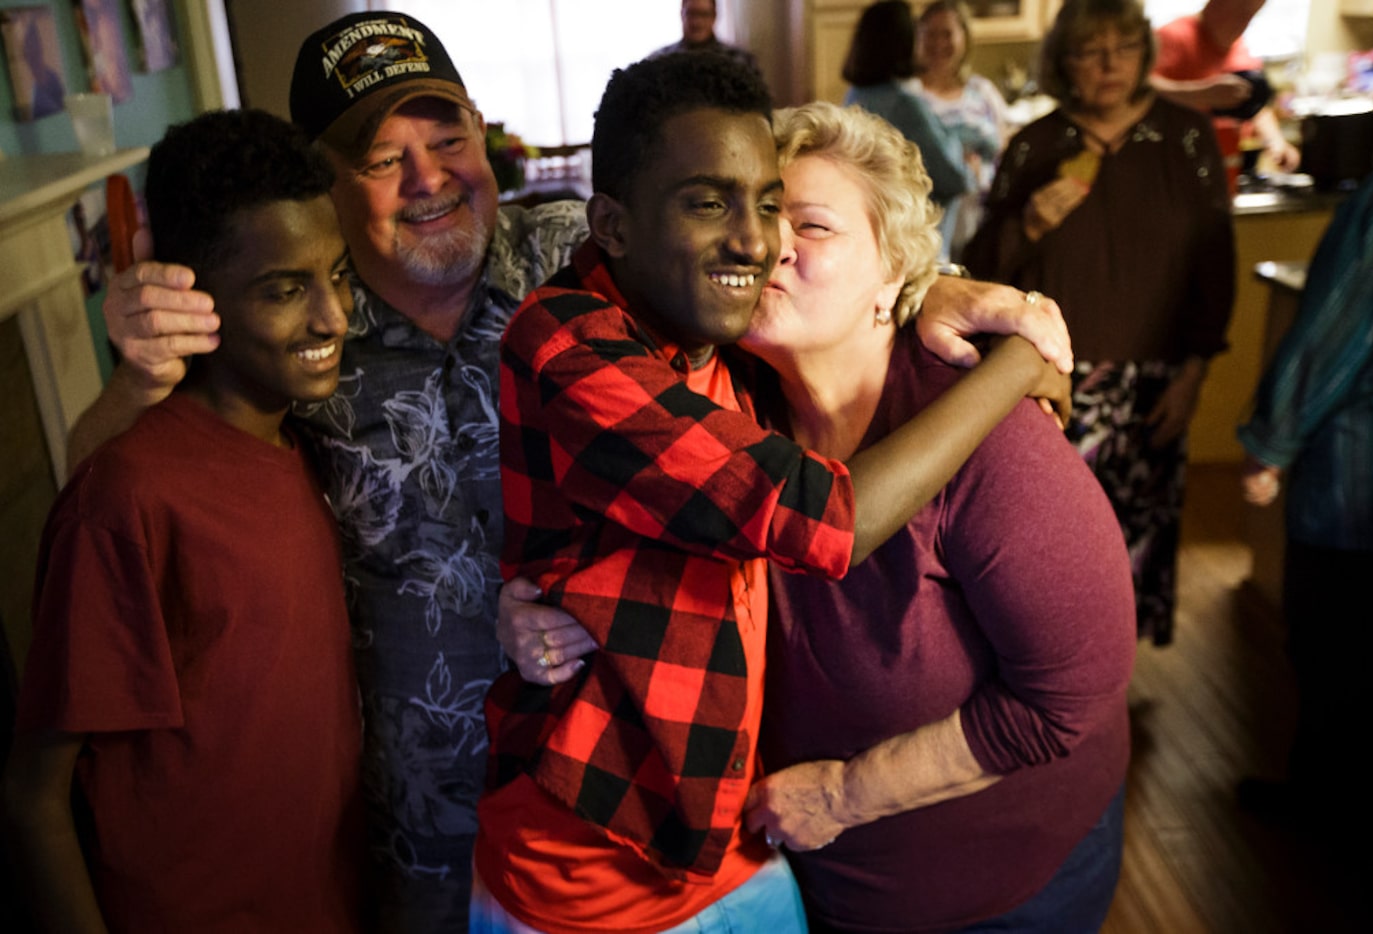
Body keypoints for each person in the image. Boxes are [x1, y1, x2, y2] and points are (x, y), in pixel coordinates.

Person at [69, 11, 1071, 929]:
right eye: (382, 158)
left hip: (653, 789)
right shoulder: (298, 332)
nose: (428, 178)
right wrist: (138, 376)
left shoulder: (572, 248)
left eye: (448, 140)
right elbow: (117, 491)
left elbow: (775, 272)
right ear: (326, 186)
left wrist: (933, 285)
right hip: (419, 809)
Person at [472, 52, 1069, 933]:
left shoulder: (736, 351)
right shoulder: (569, 343)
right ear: (614, 225)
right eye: (709, 203)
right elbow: (823, 518)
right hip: (594, 866)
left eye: (771, 205)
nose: (759, 242)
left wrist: (937, 287)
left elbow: (856, 282)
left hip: (741, 846)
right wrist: (1023, 360)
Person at [741, 99, 1135, 934]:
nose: (770, 243)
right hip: (811, 875)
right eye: (761, 216)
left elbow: (1065, 699)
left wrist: (842, 796)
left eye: (812, 225)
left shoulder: (992, 440)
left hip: (1001, 890)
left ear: (892, 276)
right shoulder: (724, 404)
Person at [2, 109, 365, 933]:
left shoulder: (310, 445)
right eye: (283, 290)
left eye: (337, 275)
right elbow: (33, 799)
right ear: (192, 298)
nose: (332, 316)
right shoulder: (130, 497)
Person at [963, 0, 1236, 646]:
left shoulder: (1186, 137)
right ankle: (1059, 672)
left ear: (1145, 53)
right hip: (1052, 379)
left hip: (1158, 377)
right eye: (1090, 50)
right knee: (1051, 546)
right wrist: (1027, 225)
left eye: (1123, 45)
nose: (1110, 63)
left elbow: (1214, 263)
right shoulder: (1037, 146)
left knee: (1137, 535)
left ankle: (1113, 684)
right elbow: (978, 273)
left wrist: (1195, 373)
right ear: (1064, 64)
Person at [1237, 166, 1373, 834]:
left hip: (1365, 456)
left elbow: (1335, 337)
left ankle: (1330, 806)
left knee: (1337, 636)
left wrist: (1272, 443)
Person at [841, 0, 974, 257]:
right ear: (902, 43)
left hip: (873, 239)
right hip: (915, 247)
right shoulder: (905, 106)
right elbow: (953, 178)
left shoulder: (857, 94)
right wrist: (969, 165)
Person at [1151, 0, 1301, 174]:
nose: (1243, 23)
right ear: (1215, 5)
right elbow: (1140, 91)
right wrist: (1202, 94)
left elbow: (1253, 106)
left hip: (1231, 163)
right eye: (1241, 12)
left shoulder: (1238, 45)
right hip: (1179, 163)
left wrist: (1276, 142)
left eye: (1249, 15)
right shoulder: (1174, 36)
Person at [914, 0, 1010, 259]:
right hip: (927, 227)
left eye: (947, 34)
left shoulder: (982, 91)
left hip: (982, 221)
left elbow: (1006, 145)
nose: (938, 43)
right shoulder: (910, 97)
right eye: (930, 34)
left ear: (964, 38)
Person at [649, 0, 759, 73]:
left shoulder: (740, 61)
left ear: (714, 17)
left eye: (703, 14)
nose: (697, 22)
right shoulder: (659, 60)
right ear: (681, 14)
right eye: (691, 14)